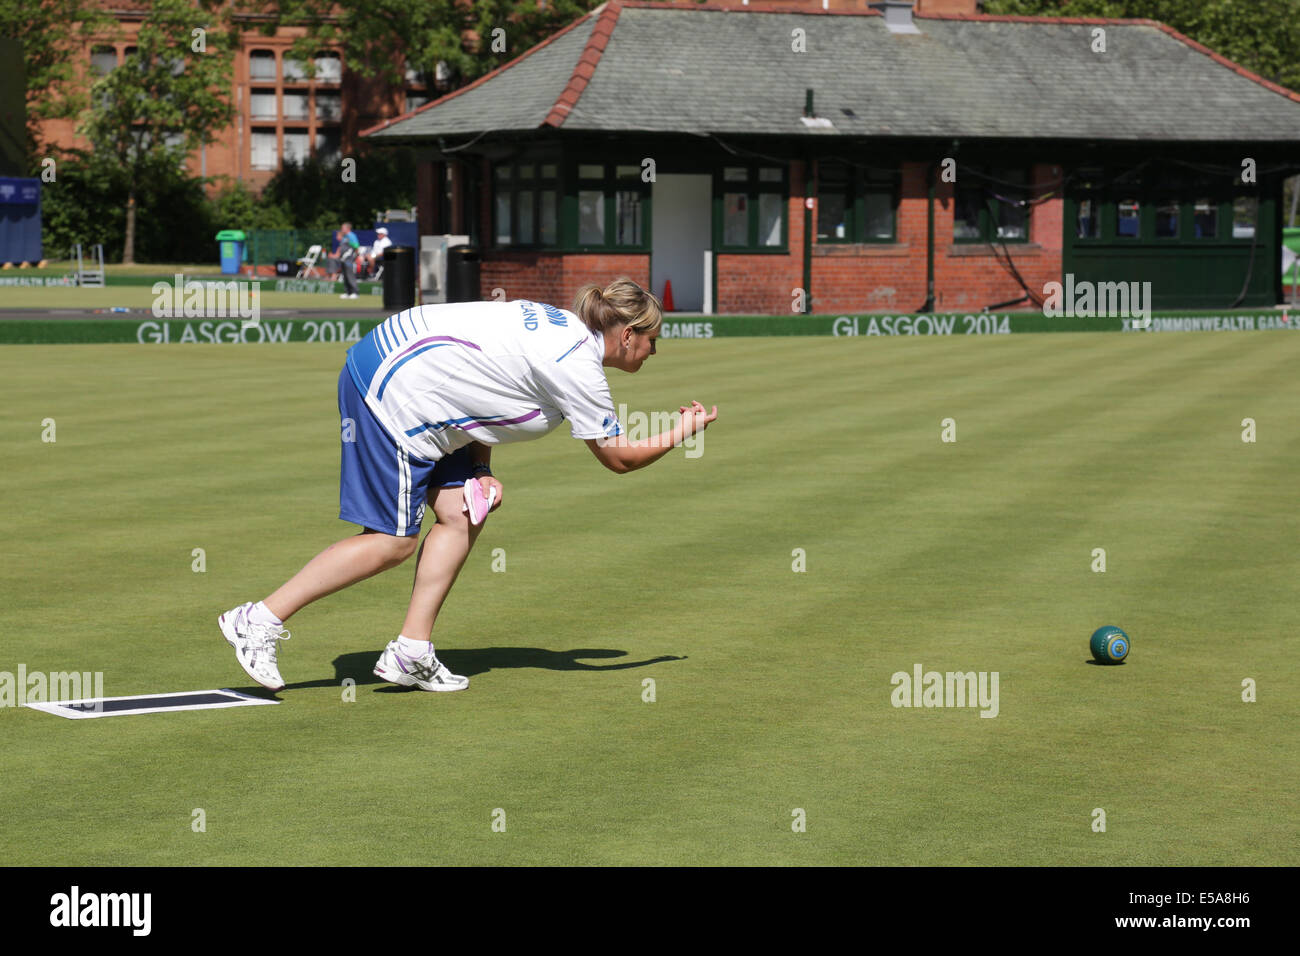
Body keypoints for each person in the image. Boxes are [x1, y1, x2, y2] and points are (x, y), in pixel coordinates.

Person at [218, 278, 718, 694]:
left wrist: (479, 470)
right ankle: (257, 619)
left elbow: (486, 389)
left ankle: (412, 651)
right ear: (629, 334)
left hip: (419, 380)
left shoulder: (566, 331)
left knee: (463, 511)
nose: (655, 350)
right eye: (653, 339)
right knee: (392, 543)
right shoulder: (578, 366)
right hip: (392, 389)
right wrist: (683, 431)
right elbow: (618, 459)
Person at [330, 222, 361, 299]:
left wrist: (356, 257)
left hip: (349, 259)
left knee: (350, 275)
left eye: (343, 228)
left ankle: (355, 292)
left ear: (347, 228)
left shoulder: (351, 236)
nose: (341, 229)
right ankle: (348, 292)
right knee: (345, 276)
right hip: (343, 259)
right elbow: (342, 247)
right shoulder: (345, 237)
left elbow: (356, 246)